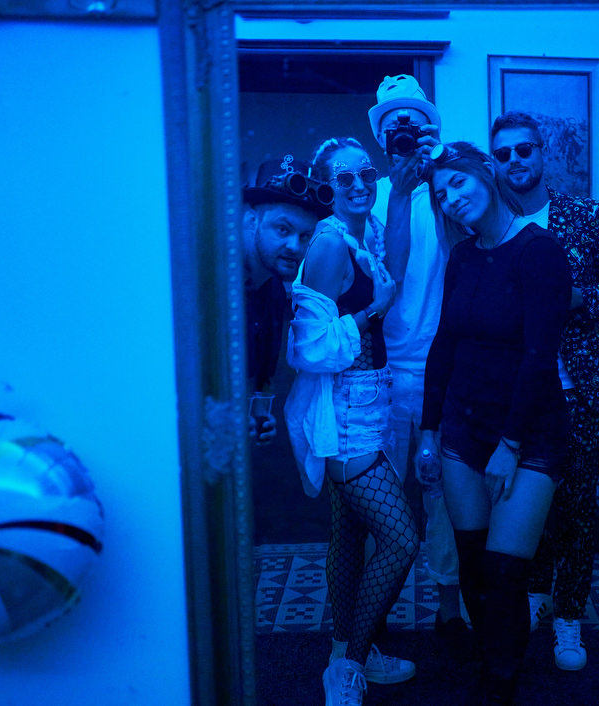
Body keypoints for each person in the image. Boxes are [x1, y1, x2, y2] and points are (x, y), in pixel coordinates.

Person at [415, 141, 571, 704]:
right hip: (462, 426)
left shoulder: (540, 250)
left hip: (529, 433)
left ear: (485, 173)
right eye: (441, 194)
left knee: (506, 572)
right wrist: (428, 432)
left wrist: (509, 444)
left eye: (458, 182)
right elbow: (444, 344)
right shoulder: (462, 256)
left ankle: (501, 684)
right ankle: (493, 666)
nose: (451, 198)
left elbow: (540, 356)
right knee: (475, 567)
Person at [490, 111, 599, 671]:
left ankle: (570, 616)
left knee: (575, 508)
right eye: (502, 154)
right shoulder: (496, 227)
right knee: (525, 504)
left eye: (523, 149)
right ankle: (536, 596)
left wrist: (573, 298)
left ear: (542, 151)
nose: (514, 160)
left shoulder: (588, 214)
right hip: (517, 394)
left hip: (577, 387)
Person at [284, 136, 420, 706]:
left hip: (370, 401)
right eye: (345, 179)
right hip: (344, 414)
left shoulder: (363, 234)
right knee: (402, 539)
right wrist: (374, 311)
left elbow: (395, 266)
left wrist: (404, 194)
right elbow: (309, 347)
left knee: (349, 536)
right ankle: (349, 667)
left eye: (366, 173)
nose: (360, 185)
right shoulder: (329, 244)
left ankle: (344, 651)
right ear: (327, 186)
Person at [367, 74, 468, 638]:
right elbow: (393, 271)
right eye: (394, 127)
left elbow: (468, 254)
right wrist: (403, 194)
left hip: (444, 369)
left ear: (429, 131)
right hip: (382, 372)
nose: (404, 133)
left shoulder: (450, 191)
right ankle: (372, 615)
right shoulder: (373, 196)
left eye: (414, 125)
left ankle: (449, 608)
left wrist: (438, 171)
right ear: (384, 139)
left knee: (443, 495)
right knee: (378, 498)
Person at [242, 156, 331, 443]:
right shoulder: (219, 290)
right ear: (252, 221)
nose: (295, 246)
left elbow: (262, 378)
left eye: (305, 236)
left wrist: (258, 414)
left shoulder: (275, 291)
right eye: (283, 229)